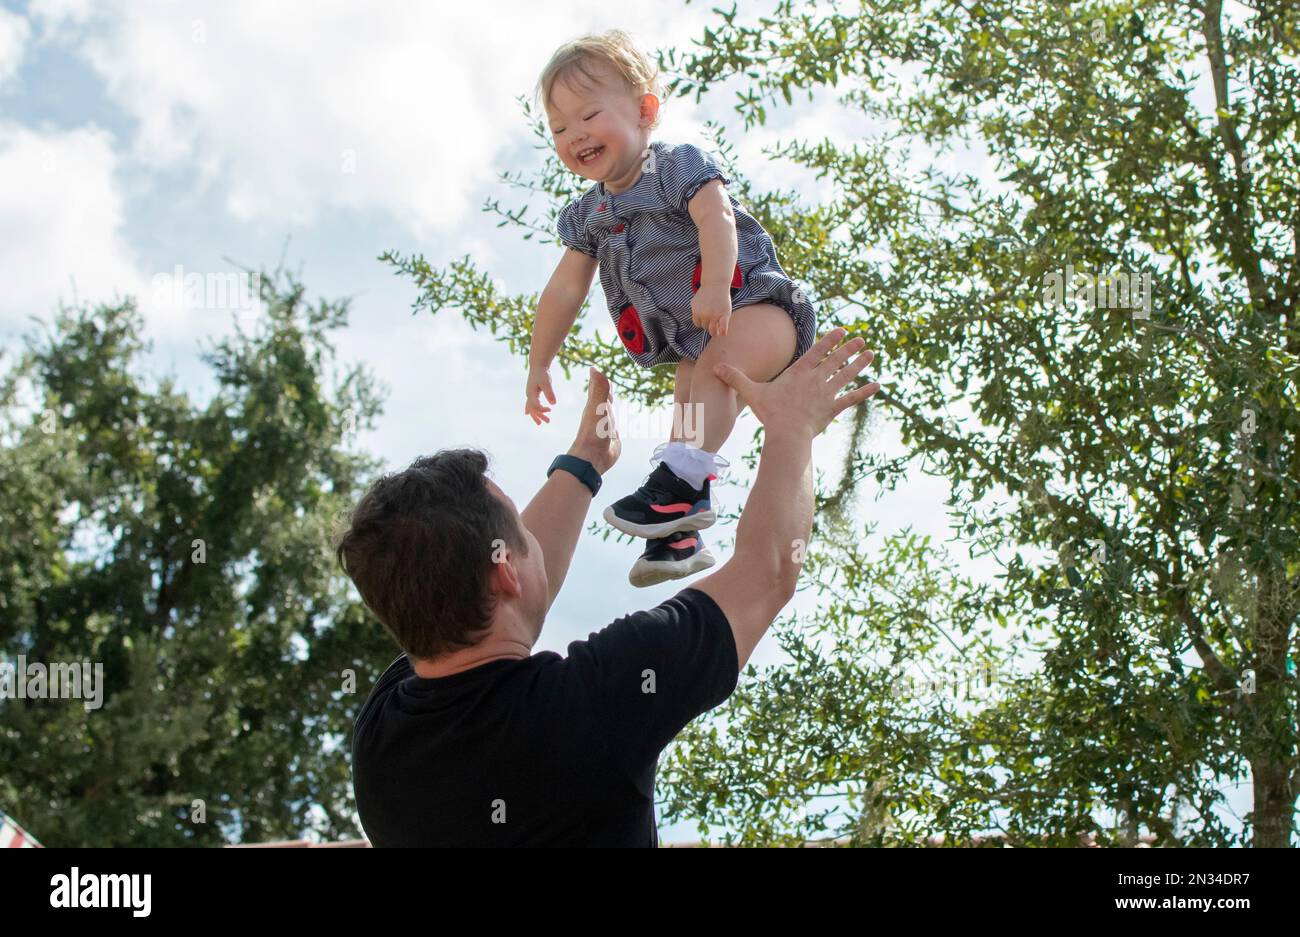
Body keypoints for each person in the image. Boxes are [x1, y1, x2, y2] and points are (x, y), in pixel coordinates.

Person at [338, 328, 878, 847]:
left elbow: (503, 591)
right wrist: (791, 429)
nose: (531, 536)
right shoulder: (591, 707)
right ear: (503, 570)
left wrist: (586, 462)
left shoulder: (384, 746)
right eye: (521, 530)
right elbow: (768, 572)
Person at [525, 29, 819, 586]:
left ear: (644, 111)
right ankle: (677, 539)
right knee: (690, 399)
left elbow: (718, 219)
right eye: (559, 128)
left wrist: (712, 285)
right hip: (705, 337)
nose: (575, 134)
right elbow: (565, 290)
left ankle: (676, 488)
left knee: (710, 374)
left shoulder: (676, 166)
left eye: (589, 115)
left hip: (756, 307)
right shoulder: (589, 215)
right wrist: (540, 361)